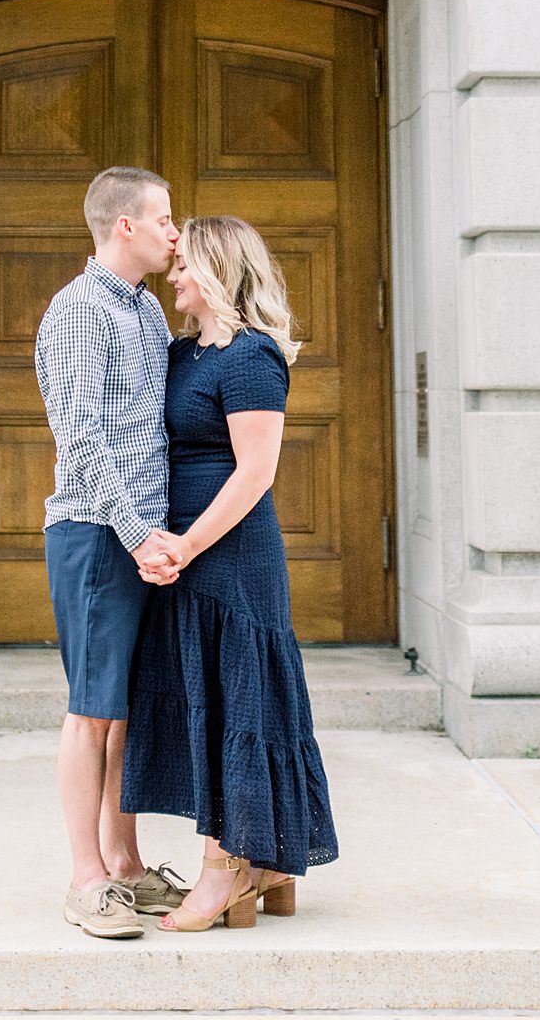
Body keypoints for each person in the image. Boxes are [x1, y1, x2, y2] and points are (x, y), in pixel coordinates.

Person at [121, 214, 338, 932]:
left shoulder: (252, 358)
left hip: (232, 557)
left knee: (234, 699)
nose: (172, 274)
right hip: (183, 557)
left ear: (216, 271)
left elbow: (254, 475)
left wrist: (185, 545)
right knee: (207, 698)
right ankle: (268, 867)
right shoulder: (185, 356)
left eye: (184, 265)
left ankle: (224, 869)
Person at [33, 164, 192, 940]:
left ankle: (126, 866)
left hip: (147, 542)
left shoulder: (150, 314)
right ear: (123, 225)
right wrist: (136, 538)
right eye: (164, 219)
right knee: (91, 712)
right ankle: (85, 879)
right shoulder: (77, 312)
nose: (175, 232)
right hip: (97, 537)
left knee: (127, 715)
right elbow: (82, 441)